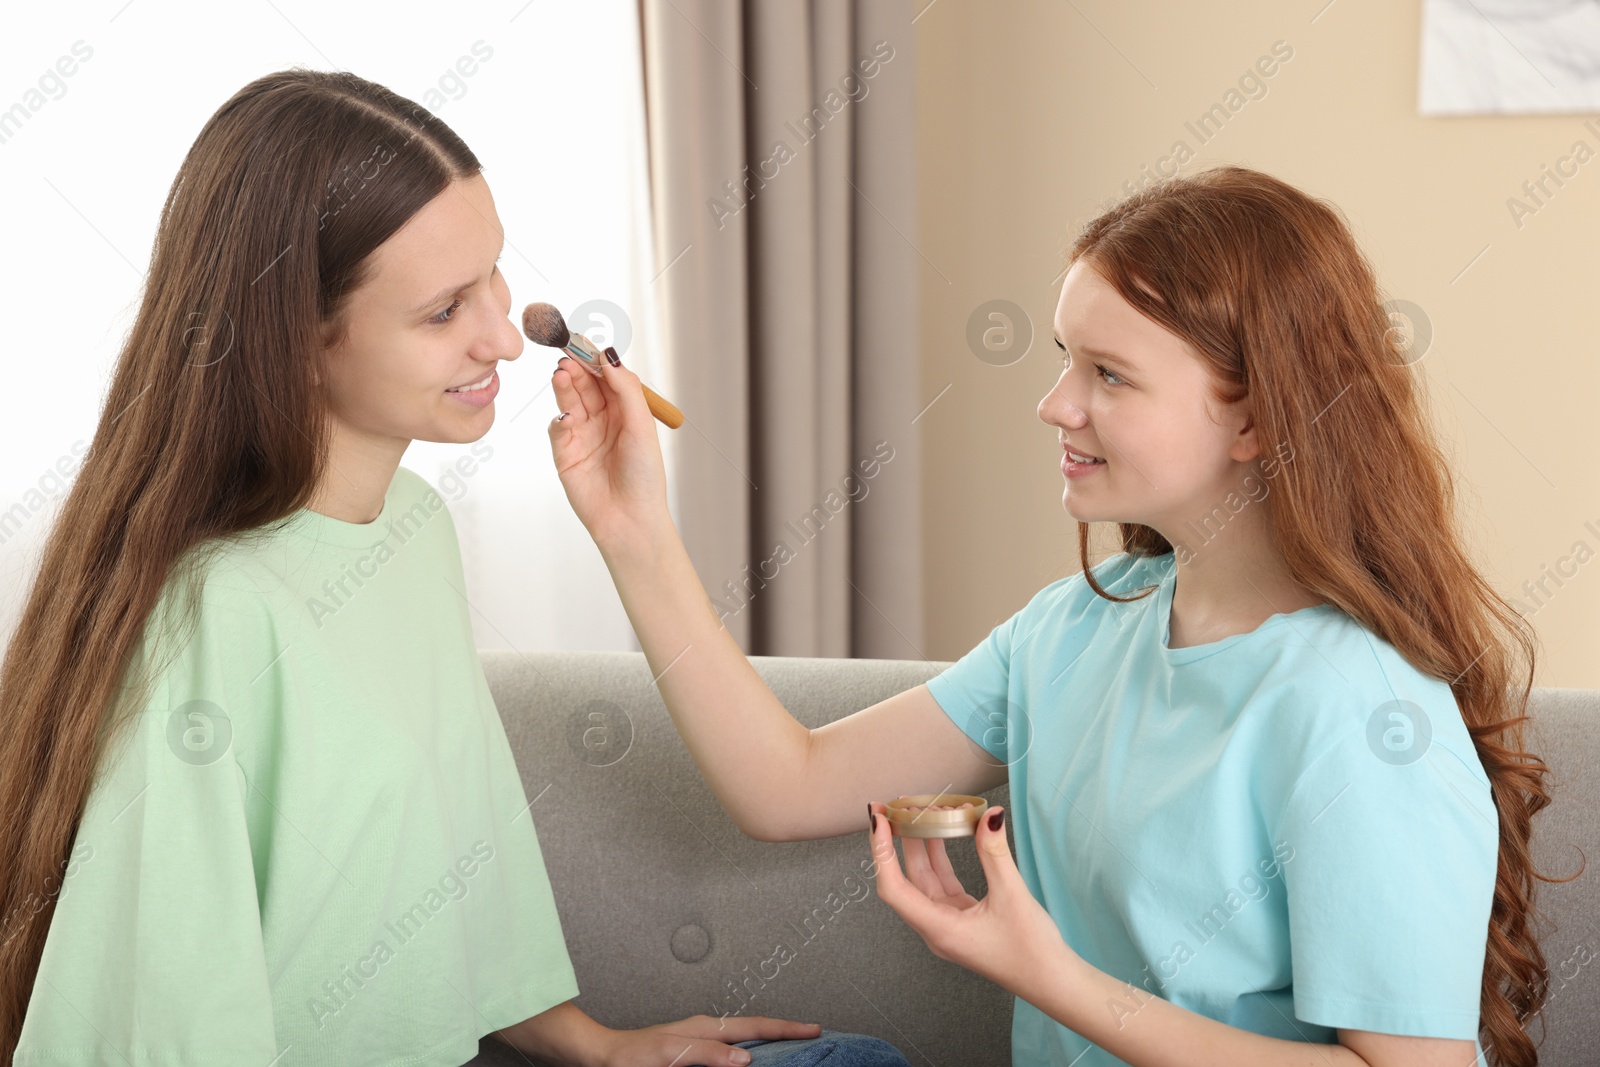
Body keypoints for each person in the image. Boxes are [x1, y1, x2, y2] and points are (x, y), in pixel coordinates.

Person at [546, 164, 1564, 1067]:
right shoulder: (1077, 627)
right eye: (1064, 356)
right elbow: (784, 784)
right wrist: (634, 529)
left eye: (1107, 374)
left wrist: (1057, 979)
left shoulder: (1357, 707)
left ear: (1253, 418)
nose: (1054, 403)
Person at [0, 69, 909, 1067]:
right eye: (441, 312)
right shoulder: (216, 609)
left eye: (493, 276)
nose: (501, 334)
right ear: (297, 342)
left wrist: (594, 1044)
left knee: (853, 1058)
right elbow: (165, 1003)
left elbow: (459, 852)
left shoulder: (414, 526)